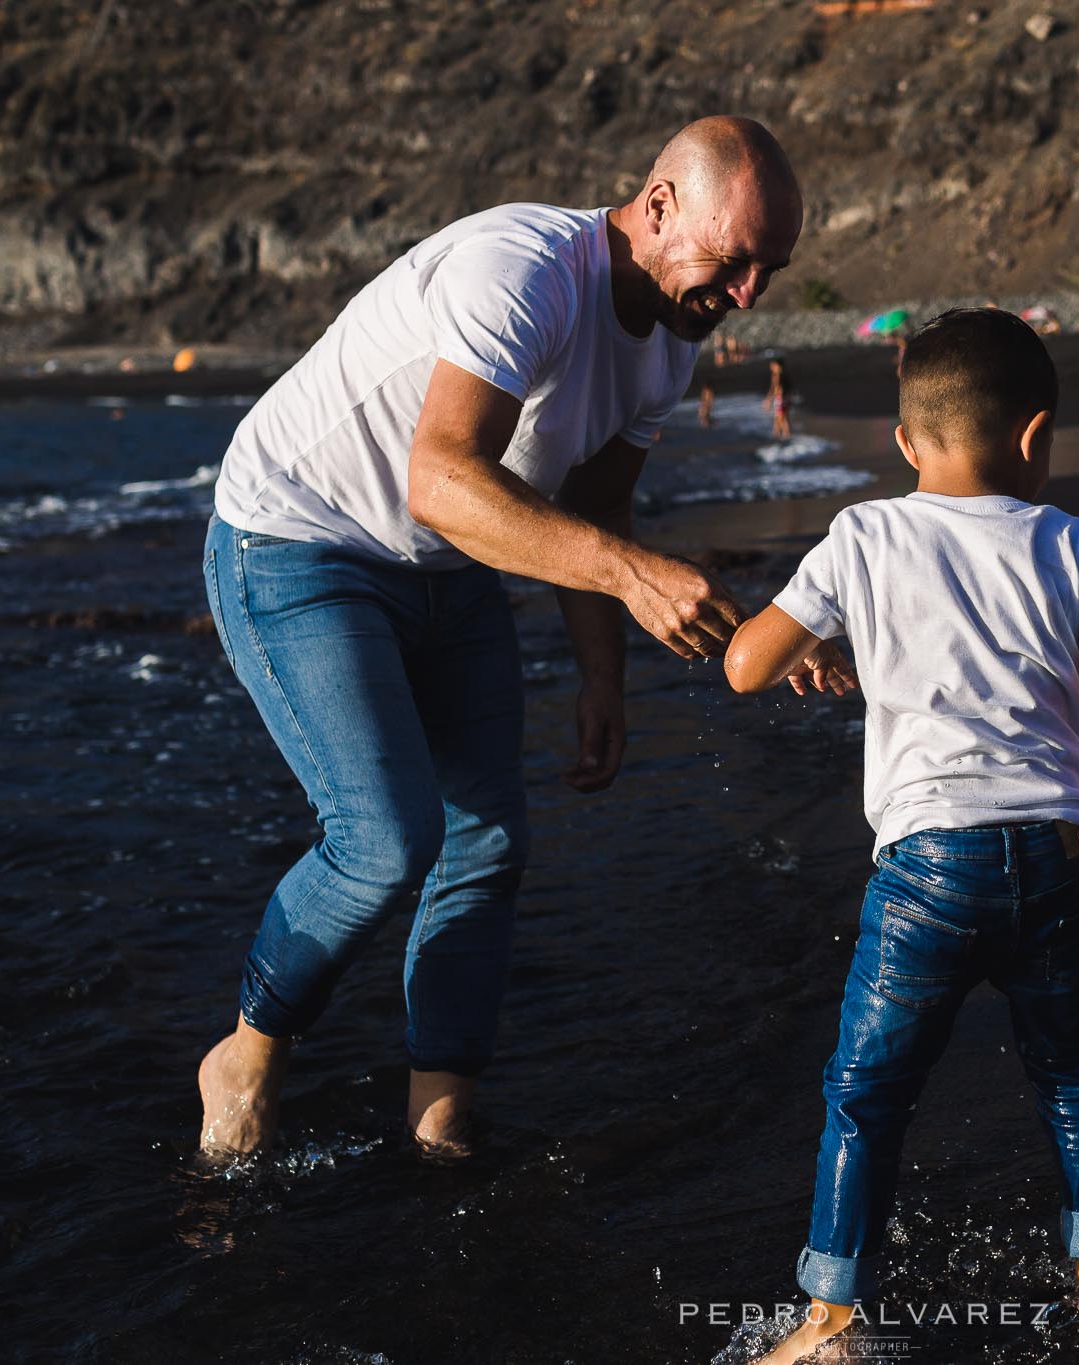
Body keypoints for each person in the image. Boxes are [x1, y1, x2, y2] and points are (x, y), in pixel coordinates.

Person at [195, 116, 807, 1160]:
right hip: (297, 539)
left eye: (768, 269)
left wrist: (602, 678)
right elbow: (437, 480)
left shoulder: (667, 335)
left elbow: (596, 505)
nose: (747, 292)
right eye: (733, 257)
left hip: (448, 563)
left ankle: (440, 1120)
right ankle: (248, 1050)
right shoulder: (519, 271)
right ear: (657, 206)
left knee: (485, 844)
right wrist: (628, 577)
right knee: (384, 841)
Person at [724, 310, 1079, 1361]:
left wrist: (821, 642)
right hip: (1057, 863)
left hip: (926, 872)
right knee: (1075, 1076)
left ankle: (831, 1316)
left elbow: (744, 664)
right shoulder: (1067, 541)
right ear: (1035, 435)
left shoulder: (863, 535)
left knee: (865, 1095)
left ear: (907, 444)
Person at [765, 356, 793, 438]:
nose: (771, 367)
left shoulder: (779, 376)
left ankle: (785, 435)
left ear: (778, 366)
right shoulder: (779, 375)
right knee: (779, 418)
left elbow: (777, 389)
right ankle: (779, 435)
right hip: (782, 399)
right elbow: (773, 388)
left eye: (773, 365)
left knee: (782, 418)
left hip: (781, 399)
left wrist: (770, 399)